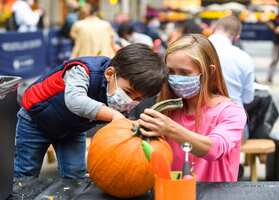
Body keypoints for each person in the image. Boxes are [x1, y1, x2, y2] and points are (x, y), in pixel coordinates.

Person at [14, 43, 167, 179]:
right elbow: (75, 100)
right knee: (25, 173)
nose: (131, 100)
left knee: (75, 174)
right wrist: (114, 115)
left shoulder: (121, 98)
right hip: (35, 121)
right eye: (128, 92)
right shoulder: (83, 70)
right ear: (109, 74)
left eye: (139, 99)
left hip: (72, 130)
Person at [138, 34, 247, 182]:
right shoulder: (166, 110)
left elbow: (215, 149)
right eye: (171, 72)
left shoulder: (231, 112)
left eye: (184, 73)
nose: (176, 78)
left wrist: (170, 129)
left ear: (210, 71)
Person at [209, 15, 255, 139]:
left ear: (214, 28)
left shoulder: (196, 49)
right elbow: (248, 98)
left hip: (198, 123)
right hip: (233, 125)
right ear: (237, 37)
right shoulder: (243, 57)